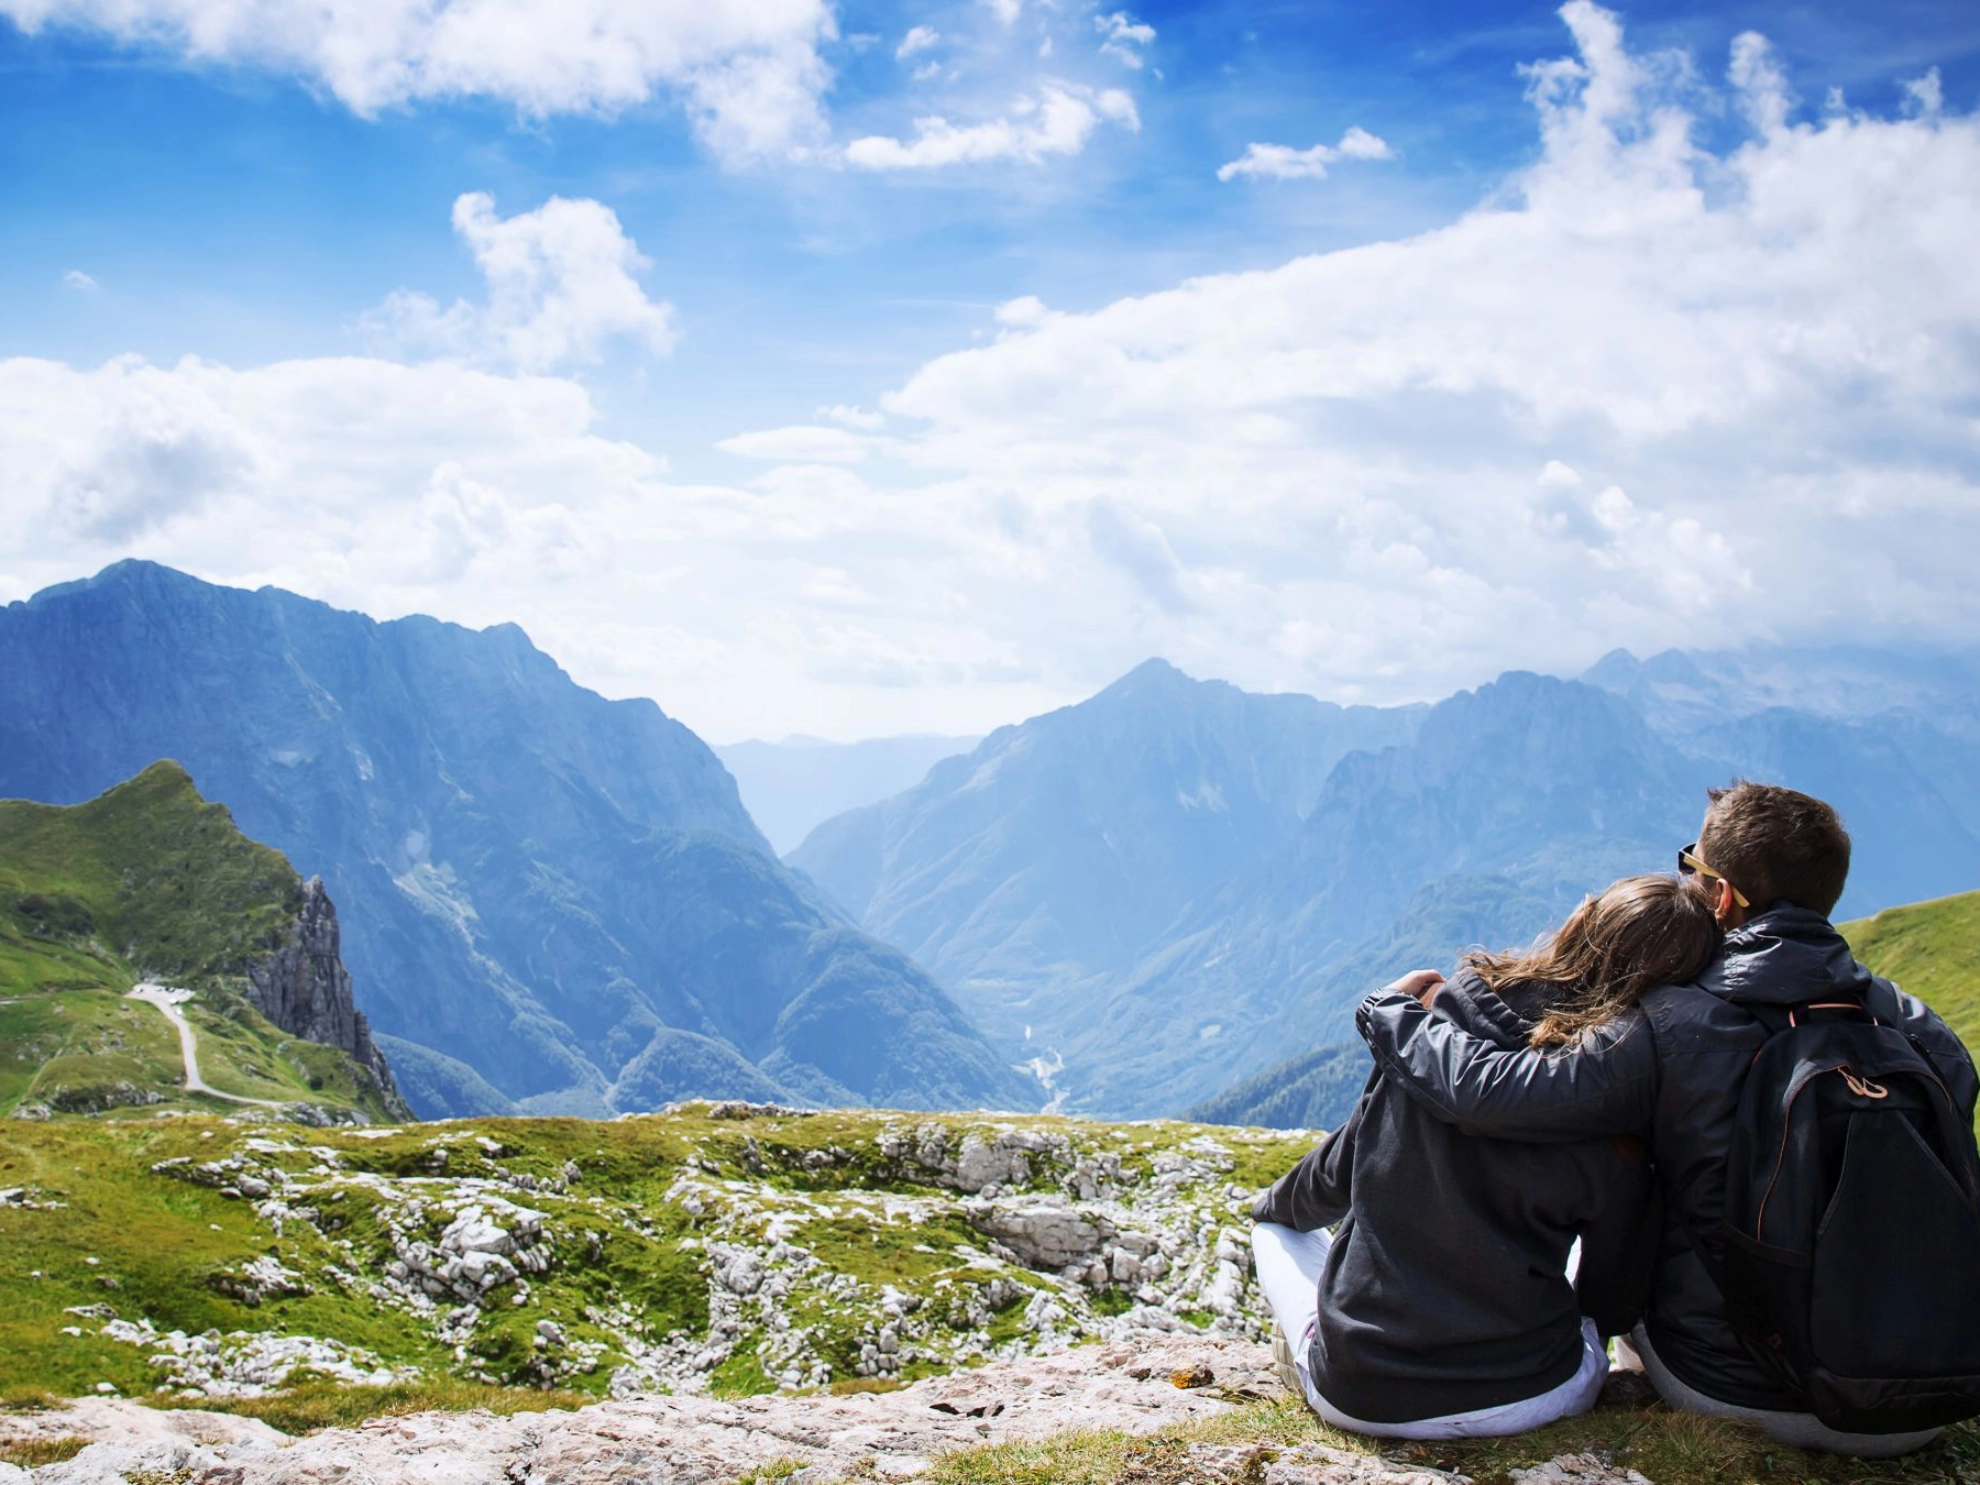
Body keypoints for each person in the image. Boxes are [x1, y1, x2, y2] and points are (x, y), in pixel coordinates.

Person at [1357, 781, 1980, 1456]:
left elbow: (1491, 1093)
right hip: (1926, 1399)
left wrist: (1392, 1013)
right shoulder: (1921, 1030)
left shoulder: (1674, 1023)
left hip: (1743, 1389)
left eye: (1693, 864)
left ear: (1722, 896)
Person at [1251, 874, 1720, 1439]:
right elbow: (1612, 1298)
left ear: (1583, 926)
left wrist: (1271, 1210)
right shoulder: (1611, 1105)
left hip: (1362, 1397)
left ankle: (1307, 1362)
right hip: (1532, 1396)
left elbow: (1336, 1171)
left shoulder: (1426, 1044)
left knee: (1273, 1232)